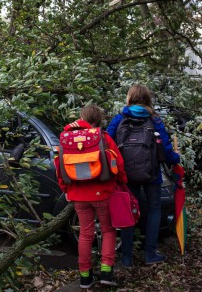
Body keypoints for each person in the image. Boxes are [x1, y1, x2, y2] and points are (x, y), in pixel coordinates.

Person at [107, 84, 180, 267]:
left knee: (128, 211)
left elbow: (107, 143)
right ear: (148, 99)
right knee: (154, 208)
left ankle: (126, 258)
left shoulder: (120, 118)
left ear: (129, 98)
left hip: (126, 174)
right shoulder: (154, 119)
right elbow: (164, 146)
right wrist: (175, 159)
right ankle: (150, 254)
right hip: (151, 173)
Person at [55, 105, 128, 289]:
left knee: (86, 234)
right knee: (109, 231)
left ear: (81, 117)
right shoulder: (102, 138)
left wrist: (66, 189)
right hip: (103, 193)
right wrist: (122, 182)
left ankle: (85, 277)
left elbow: (59, 168)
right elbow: (118, 164)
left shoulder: (66, 140)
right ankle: (106, 273)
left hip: (79, 196)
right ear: (97, 121)